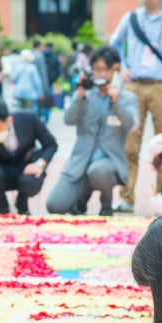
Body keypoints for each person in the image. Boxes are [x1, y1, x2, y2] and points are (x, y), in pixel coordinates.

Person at [109, 0, 162, 213]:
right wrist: (122, 68)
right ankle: (127, 196)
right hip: (134, 85)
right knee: (131, 142)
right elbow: (114, 44)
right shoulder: (131, 18)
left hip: (161, 86)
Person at [45, 46, 139, 216]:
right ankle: (81, 198)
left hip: (109, 162)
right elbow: (68, 120)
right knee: (55, 205)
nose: (101, 74)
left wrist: (116, 102)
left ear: (115, 69)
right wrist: (79, 95)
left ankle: (106, 203)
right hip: (81, 160)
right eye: (96, 69)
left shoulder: (127, 98)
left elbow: (132, 124)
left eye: (105, 70)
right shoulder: (86, 94)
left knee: (98, 172)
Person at [0, 99, 59, 215]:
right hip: (1, 174)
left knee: (32, 179)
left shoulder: (29, 119)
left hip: (26, 169)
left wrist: (39, 164)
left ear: (9, 120)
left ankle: (22, 202)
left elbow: (51, 144)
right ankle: (1, 205)